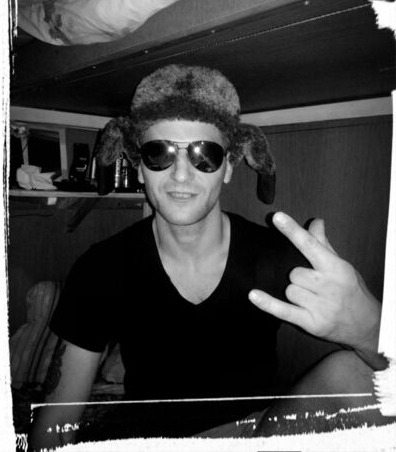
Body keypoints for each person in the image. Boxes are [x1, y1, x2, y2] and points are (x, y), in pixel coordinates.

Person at [29, 64, 389, 449]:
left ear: (229, 166)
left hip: (254, 437)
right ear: (139, 168)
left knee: (353, 373)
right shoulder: (102, 268)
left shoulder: (277, 256)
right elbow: (58, 417)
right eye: (159, 153)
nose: (181, 174)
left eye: (205, 155)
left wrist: (368, 327)